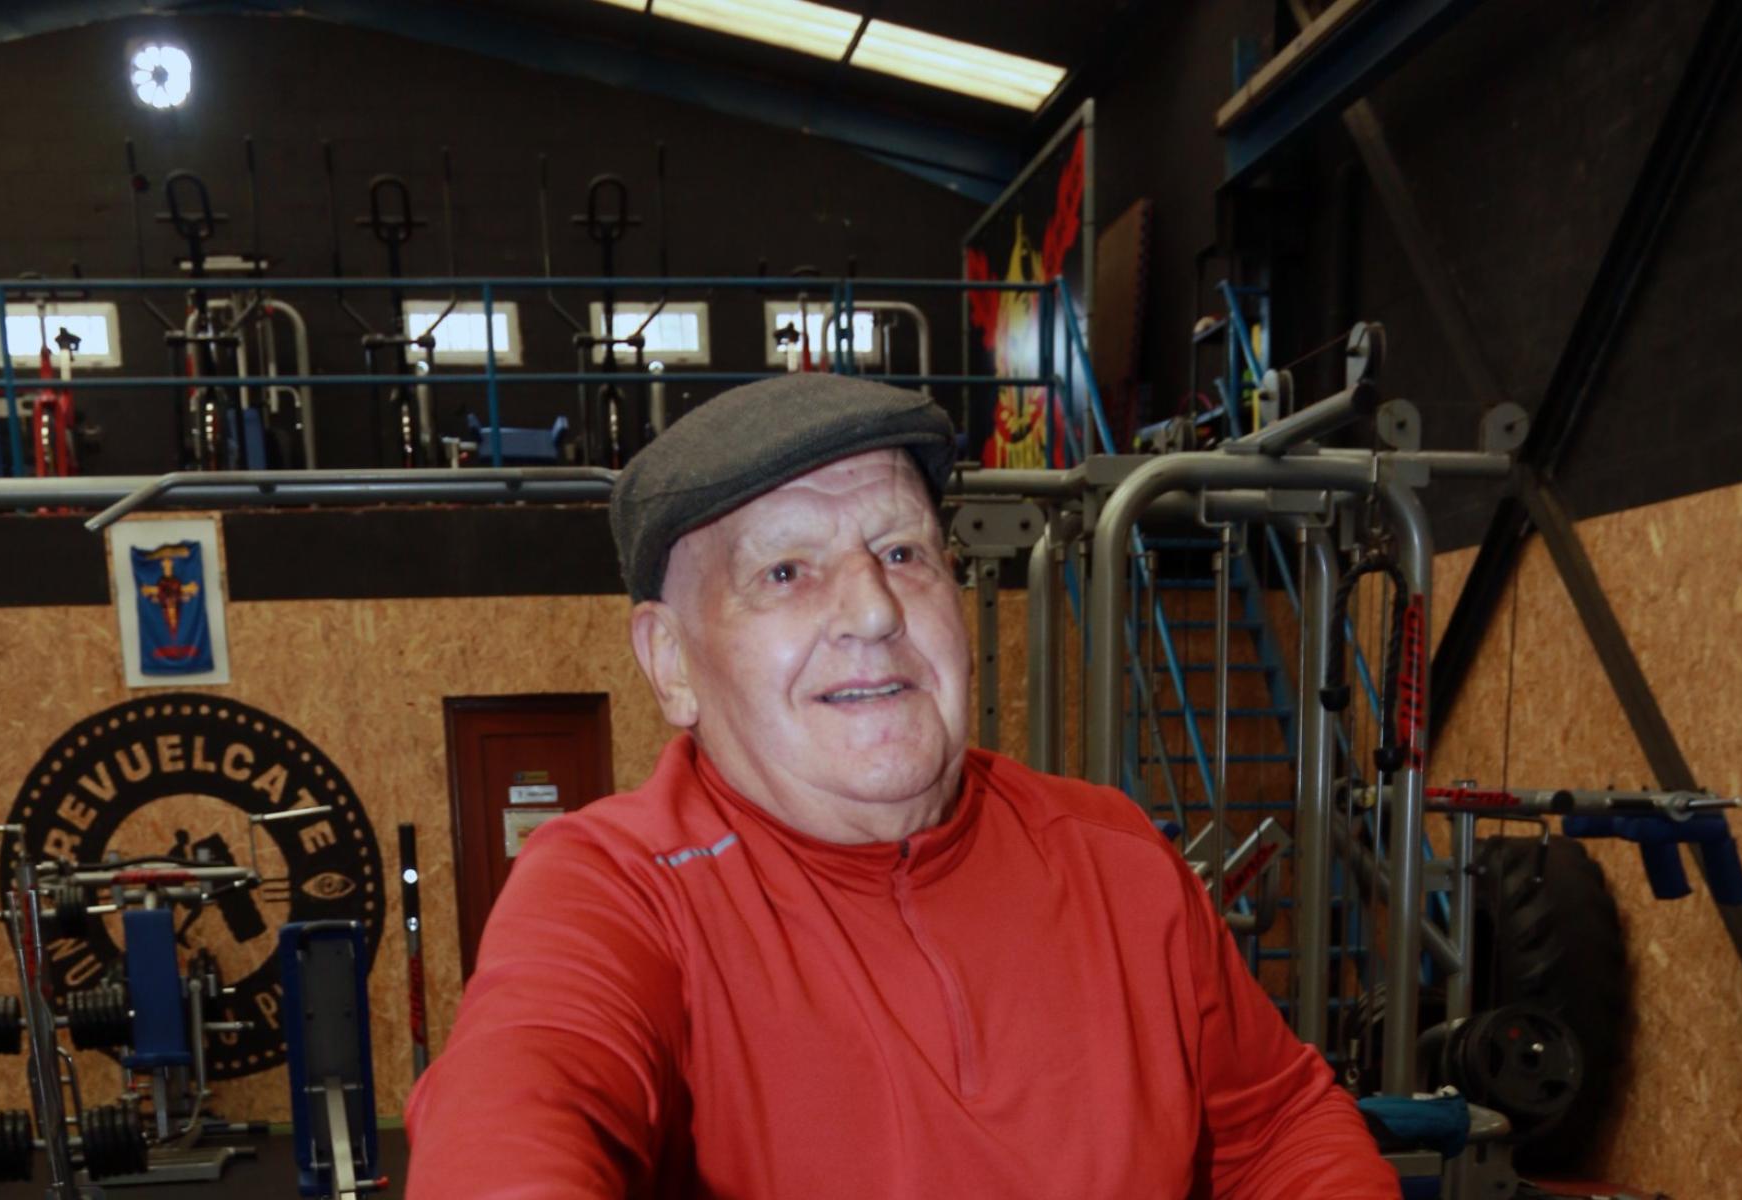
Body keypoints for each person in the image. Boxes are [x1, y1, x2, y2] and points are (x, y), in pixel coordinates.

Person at [405, 374, 1398, 1198]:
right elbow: (518, 1109)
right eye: (787, 572)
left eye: (901, 552)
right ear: (671, 662)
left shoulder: (1113, 852)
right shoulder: (620, 887)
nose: (874, 610)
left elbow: (1277, 1127)